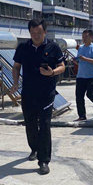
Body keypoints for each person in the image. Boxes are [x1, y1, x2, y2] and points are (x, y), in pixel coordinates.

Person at [11, 19, 65, 175]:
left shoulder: (53, 47)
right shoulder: (23, 48)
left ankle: (44, 160)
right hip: (28, 93)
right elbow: (16, 67)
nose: (36, 35)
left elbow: (62, 67)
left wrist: (52, 72)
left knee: (45, 125)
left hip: (46, 93)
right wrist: (15, 83)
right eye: (32, 32)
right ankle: (34, 148)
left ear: (45, 32)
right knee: (30, 124)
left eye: (39, 32)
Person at [74, 29, 93, 121]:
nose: (84, 38)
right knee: (79, 96)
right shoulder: (80, 48)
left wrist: (86, 59)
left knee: (90, 94)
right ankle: (82, 116)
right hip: (80, 75)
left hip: (91, 76)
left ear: (91, 37)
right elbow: (80, 61)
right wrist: (76, 61)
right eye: (83, 37)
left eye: (86, 37)